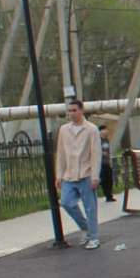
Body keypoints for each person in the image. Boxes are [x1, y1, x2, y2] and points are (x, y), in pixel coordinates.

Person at [55, 99, 103, 250]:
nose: (71, 114)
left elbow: (96, 153)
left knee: (90, 207)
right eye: (69, 111)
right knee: (66, 202)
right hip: (69, 174)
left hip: (86, 172)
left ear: (81, 111)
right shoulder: (64, 129)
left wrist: (95, 176)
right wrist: (59, 175)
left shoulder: (91, 129)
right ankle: (86, 228)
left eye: (74, 110)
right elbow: (61, 153)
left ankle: (94, 237)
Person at [97, 125, 115, 202]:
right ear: (99, 131)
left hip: (106, 162)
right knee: (103, 180)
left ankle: (109, 195)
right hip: (100, 163)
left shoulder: (106, 140)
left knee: (109, 179)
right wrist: (102, 153)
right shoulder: (97, 140)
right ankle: (105, 194)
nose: (106, 131)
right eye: (104, 130)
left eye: (106, 130)